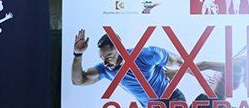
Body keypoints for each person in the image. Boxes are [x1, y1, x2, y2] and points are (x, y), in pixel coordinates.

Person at [71, 29, 223, 107]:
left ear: (119, 48)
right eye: (102, 58)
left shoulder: (146, 55)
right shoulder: (105, 70)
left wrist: (198, 73)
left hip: (171, 99)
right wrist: (78, 54)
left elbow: (180, 61)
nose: (105, 61)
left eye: (108, 56)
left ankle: (210, 100)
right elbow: (79, 81)